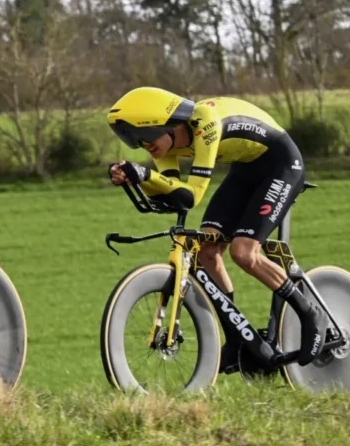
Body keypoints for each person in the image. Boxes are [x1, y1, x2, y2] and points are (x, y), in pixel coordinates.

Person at [106, 87, 324, 369]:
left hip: (281, 165)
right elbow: (172, 192)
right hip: (244, 170)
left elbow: (191, 196)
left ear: (165, 125)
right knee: (207, 251)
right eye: (135, 140)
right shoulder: (164, 145)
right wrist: (137, 178)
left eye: (144, 136)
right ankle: (236, 339)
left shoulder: (205, 124)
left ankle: (309, 314)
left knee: (243, 252)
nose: (143, 145)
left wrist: (145, 174)